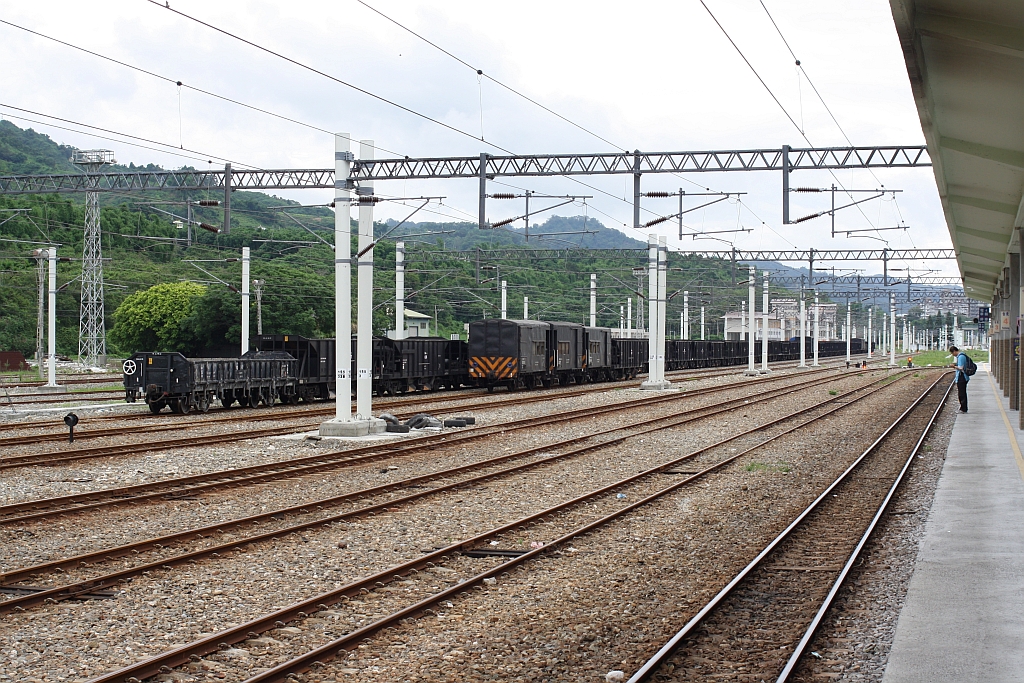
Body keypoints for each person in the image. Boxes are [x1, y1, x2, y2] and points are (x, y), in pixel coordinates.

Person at [949, 346, 969, 413]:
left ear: (954, 351)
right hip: (962, 377)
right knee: (961, 393)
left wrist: (954, 366)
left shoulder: (961, 357)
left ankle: (964, 408)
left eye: (952, 353)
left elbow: (961, 368)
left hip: (962, 377)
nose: (952, 355)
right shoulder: (961, 356)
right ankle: (963, 407)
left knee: (962, 393)